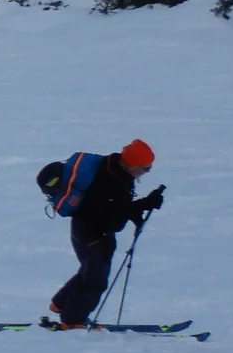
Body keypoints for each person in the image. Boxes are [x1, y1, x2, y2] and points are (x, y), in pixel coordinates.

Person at [49, 138, 165, 328]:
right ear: (131, 164)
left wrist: (142, 206)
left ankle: (60, 304)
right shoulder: (111, 182)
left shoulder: (118, 172)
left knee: (90, 272)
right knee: (95, 281)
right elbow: (113, 220)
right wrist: (142, 205)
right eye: (146, 168)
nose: (147, 171)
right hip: (90, 233)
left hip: (95, 232)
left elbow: (117, 210)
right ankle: (71, 321)